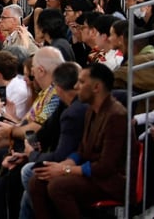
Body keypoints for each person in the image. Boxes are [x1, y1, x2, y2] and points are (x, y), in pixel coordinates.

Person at [29, 63, 129, 217]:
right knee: (38, 180)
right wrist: (61, 166)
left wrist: (65, 170)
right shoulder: (90, 110)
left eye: (82, 82)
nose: (76, 86)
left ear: (96, 87)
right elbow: (82, 150)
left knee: (58, 186)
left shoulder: (116, 115)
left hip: (110, 181)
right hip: (91, 175)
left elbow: (106, 167)